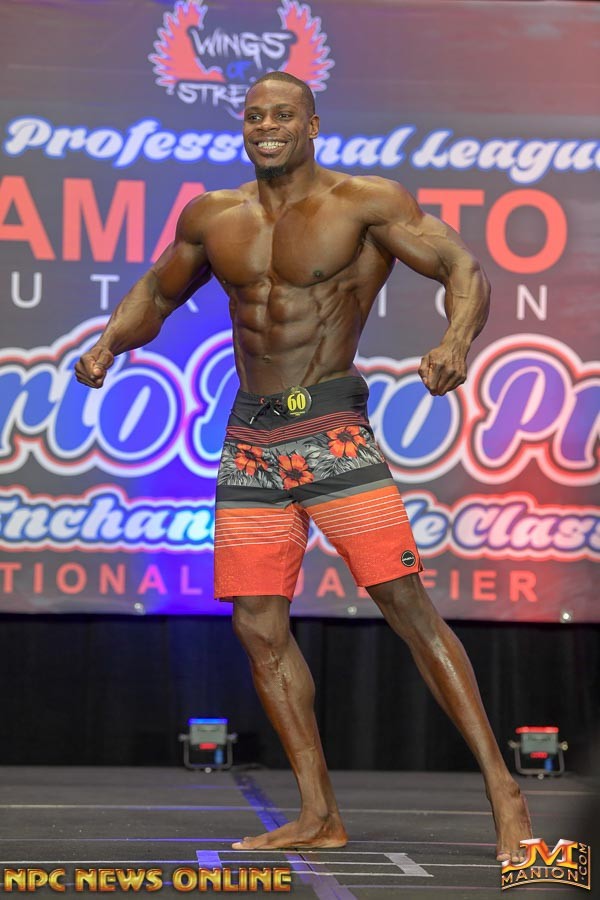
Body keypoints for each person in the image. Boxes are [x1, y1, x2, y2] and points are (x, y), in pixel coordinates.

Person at [75, 72, 532, 862]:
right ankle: (319, 813)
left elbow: (464, 269)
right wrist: (110, 342)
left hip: (330, 429)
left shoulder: (365, 203)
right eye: (255, 116)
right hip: (250, 437)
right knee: (258, 624)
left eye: (283, 114)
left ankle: (505, 793)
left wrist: (456, 341)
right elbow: (159, 289)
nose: (267, 126)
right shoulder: (214, 216)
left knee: (404, 605)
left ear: (312, 124)